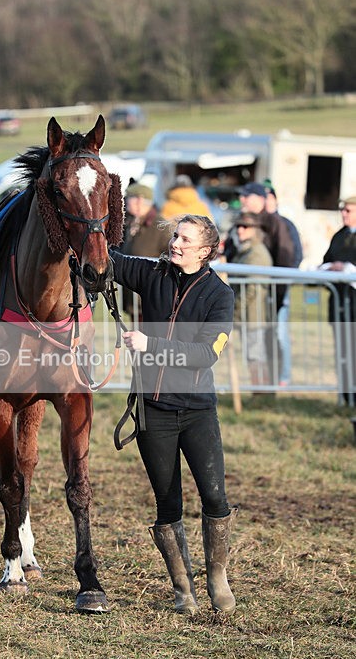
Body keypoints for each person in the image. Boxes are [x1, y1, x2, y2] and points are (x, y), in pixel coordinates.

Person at [111, 214, 237, 615]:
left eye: (185, 239)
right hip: (153, 412)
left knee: (214, 497)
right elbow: (106, 260)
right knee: (168, 504)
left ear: (204, 250)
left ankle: (217, 577)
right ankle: (183, 589)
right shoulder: (153, 275)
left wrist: (152, 345)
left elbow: (206, 355)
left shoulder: (219, 296)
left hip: (198, 412)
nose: (175, 244)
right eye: (175, 237)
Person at [263, 180, 303, 386]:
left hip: (279, 287)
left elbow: (295, 255)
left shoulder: (286, 225)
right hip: (262, 288)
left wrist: (284, 280)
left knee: (280, 331)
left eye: (269, 197)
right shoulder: (258, 224)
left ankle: (284, 377)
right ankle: (267, 377)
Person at [321, 195, 356, 405]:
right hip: (340, 303)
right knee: (342, 351)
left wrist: (347, 268)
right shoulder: (339, 236)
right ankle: (345, 396)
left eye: (349, 210)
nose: (344, 214)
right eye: (343, 210)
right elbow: (326, 260)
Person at [232, 212, 273, 388]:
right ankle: (258, 391)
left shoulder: (256, 253)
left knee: (256, 355)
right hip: (247, 314)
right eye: (238, 226)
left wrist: (236, 308)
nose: (240, 230)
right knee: (252, 354)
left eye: (245, 226)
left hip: (254, 314)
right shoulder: (245, 250)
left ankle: (261, 392)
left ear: (255, 230)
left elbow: (252, 289)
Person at [120, 182, 168, 318]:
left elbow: (171, 254)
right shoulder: (128, 223)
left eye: (145, 201)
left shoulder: (160, 225)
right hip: (132, 294)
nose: (139, 204)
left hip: (151, 295)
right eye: (131, 199)